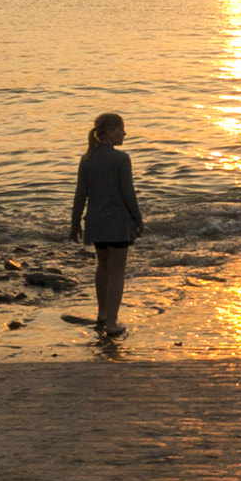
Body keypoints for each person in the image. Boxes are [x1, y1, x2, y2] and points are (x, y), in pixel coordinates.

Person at [70, 111, 144, 338]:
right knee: (117, 272)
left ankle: (102, 314)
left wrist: (74, 224)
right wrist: (138, 218)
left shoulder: (87, 159)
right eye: (122, 129)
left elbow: (80, 194)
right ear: (111, 133)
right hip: (117, 222)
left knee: (102, 267)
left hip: (95, 222)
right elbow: (128, 193)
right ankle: (112, 322)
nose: (125, 133)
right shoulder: (122, 159)